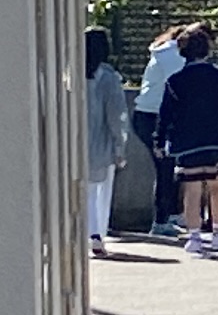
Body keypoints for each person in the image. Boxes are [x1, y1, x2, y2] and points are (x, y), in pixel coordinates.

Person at [154, 25, 218, 255]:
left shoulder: (175, 81)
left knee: (192, 189)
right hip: (215, 138)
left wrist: (160, 140)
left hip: (187, 142)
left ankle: (194, 237)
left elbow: (166, 114)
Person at [80, 28, 135, 255]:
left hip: (75, 141)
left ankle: (87, 233)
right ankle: (96, 233)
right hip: (101, 141)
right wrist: (120, 145)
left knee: (82, 190)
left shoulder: (70, 73)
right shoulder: (108, 77)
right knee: (99, 190)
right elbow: (117, 114)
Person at [133, 27, 188, 241]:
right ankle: (160, 221)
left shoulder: (166, 52)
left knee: (169, 167)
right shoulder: (172, 56)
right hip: (154, 117)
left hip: (150, 115)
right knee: (165, 168)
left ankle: (169, 216)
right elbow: (181, 86)